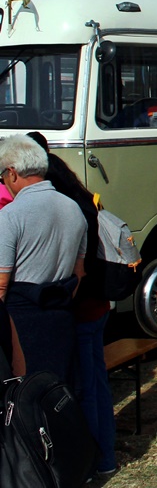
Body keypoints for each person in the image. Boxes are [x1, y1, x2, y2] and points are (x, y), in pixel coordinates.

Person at [27, 132, 118, 479]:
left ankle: (92, 459)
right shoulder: (81, 198)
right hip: (98, 305)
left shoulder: (58, 205)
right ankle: (105, 457)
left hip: (78, 308)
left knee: (82, 391)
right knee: (98, 384)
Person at [0, 134, 86, 383]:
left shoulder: (10, 216)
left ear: (13, 173)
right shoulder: (73, 208)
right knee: (61, 399)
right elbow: (79, 273)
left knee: (29, 406)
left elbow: (2, 285)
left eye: (3, 177)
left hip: (23, 328)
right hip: (62, 319)